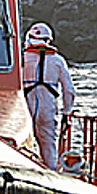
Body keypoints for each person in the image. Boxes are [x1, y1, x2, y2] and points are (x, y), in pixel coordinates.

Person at [22, 22, 76, 170]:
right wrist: (67, 112)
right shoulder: (57, 60)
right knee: (48, 145)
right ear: (49, 40)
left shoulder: (21, 59)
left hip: (24, 107)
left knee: (23, 143)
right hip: (47, 108)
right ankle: (52, 176)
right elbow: (69, 90)